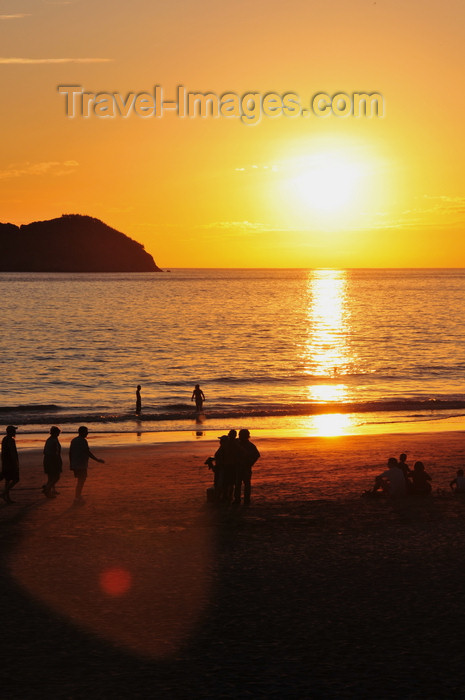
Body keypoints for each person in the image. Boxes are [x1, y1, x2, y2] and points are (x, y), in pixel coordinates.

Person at [69, 426, 104, 504]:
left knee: (80, 480)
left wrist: (71, 463)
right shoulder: (83, 441)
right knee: (81, 480)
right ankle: (77, 497)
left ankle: (78, 495)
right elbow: (88, 452)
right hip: (81, 464)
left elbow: (70, 453)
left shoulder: (74, 440)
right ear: (82, 432)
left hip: (75, 463)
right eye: (86, 431)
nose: (87, 433)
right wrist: (97, 460)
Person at [234, 428, 260, 506]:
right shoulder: (238, 444)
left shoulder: (249, 445)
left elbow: (257, 455)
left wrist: (250, 463)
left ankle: (244, 500)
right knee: (239, 484)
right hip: (240, 467)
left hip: (245, 467)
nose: (239, 436)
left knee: (244, 484)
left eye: (240, 435)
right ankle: (239, 500)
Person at [1, 425, 20, 504]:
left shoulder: (4, 439)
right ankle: (4, 493)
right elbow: (12, 453)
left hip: (5, 462)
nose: (15, 432)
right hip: (10, 463)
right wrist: (15, 463)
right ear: (11, 432)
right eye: (14, 431)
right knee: (16, 479)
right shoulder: (11, 440)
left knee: (7, 480)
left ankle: (7, 497)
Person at [43, 426, 62, 498]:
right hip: (52, 460)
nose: (59, 434)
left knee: (51, 477)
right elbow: (55, 453)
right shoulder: (53, 441)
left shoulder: (50, 439)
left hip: (47, 460)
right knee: (56, 477)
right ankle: (47, 488)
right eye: (58, 433)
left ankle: (52, 490)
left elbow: (45, 451)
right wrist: (58, 461)